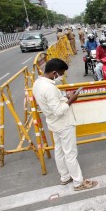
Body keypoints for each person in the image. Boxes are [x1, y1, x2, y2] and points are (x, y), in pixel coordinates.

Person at [32, 58, 98, 191]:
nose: (61, 77)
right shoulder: (49, 88)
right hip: (63, 124)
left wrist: (65, 97)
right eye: (60, 74)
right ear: (54, 72)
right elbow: (58, 111)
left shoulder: (37, 83)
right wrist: (71, 100)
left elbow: (53, 104)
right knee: (70, 153)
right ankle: (78, 183)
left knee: (60, 151)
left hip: (53, 123)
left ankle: (65, 177)